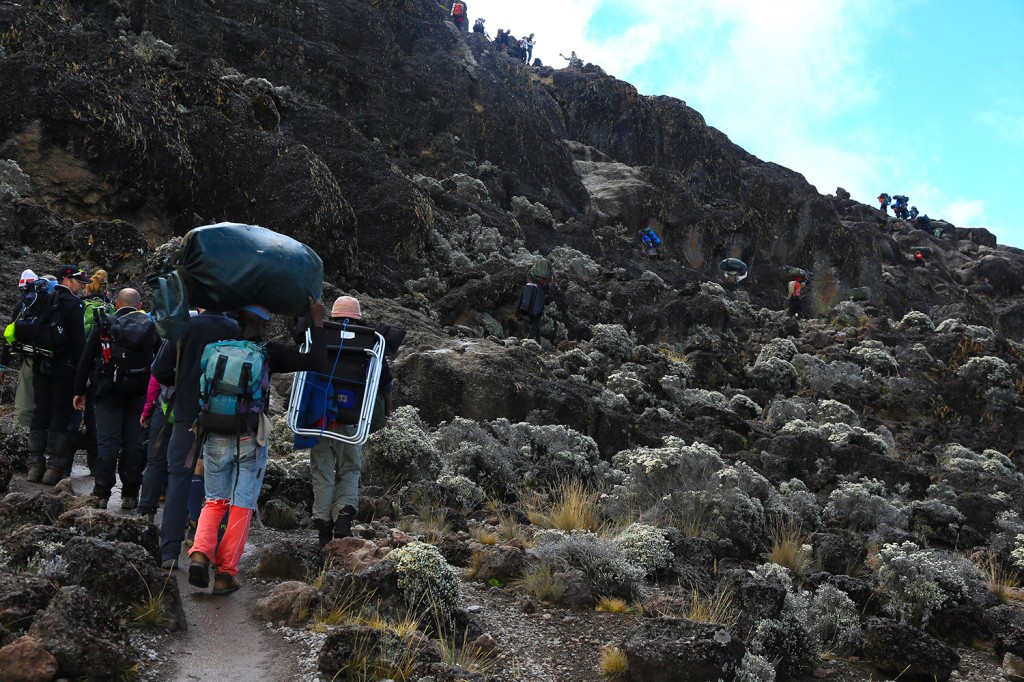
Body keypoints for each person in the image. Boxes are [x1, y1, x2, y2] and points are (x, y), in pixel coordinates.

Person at [187, 299, 326, 595]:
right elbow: (316, 360)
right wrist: (316, 322)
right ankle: (225, 573)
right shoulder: (269, 353)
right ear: (263, 325)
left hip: (214, 431)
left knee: (214, 499)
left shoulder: (215, 348)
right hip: (250, 436)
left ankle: (200, 553)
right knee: (242, 504)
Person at [151, 309, 241, 569]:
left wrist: (183, 379)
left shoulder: (185, 326)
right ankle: (214, 548)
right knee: (221, 482)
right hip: (225, 416)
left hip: (186, 414)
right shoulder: (235, 328)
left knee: (179, 476)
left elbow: (159, 369)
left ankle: (169, 551)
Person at [309, 296, 394, 549]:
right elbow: (385, 384)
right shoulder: (370, 343)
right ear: (358, 317)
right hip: (352, 420)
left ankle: (323, 525)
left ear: (332, 316)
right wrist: (387, 415)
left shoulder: (320, 337)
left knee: (322, 471)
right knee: (349, 469)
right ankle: (344, 516)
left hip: (320, 418)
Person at [73, 288, 158, 510]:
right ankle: (130, 495)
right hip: (139, 393)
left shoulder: (106, 324)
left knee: (108, 442)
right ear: (140, 306)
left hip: (107, 392)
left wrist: (79, 390)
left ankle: (101, 494)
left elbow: (86, 357)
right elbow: (161, 363)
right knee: (133, 444)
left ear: (117, 305)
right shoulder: (150, 327)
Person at [26, 265, 89, 485]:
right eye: (79, 282)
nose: (82, 286)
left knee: (40, 410)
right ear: (66, 280)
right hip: (65, 367)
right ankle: (53, 469)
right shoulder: (74, 304)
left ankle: (34, 466)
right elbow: (79, 341)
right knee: (59, 414)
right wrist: (83, 375)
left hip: (40, 363)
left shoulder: (41, 299)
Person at [1, 269, 39, 429]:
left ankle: (22, 436)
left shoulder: (21, 306)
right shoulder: (53, 303)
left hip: (29, 360)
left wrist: (3, 366)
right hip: (56, 360)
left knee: (26, 401)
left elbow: (9, 337)